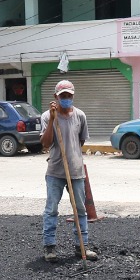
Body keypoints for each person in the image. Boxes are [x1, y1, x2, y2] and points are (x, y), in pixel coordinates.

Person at [39, 79, 97, 263]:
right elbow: (46, 144)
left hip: (76, 171)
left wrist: (73, 158)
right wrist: (53, 119)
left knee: (80, 210)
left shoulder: (80, 115)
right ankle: (50, 247)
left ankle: (82, 246)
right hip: (55, 171)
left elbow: (81, 141)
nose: (66, 98)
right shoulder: (47, 117)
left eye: (69, 95)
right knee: (51, 210)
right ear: (56, 96)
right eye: (63, 95)